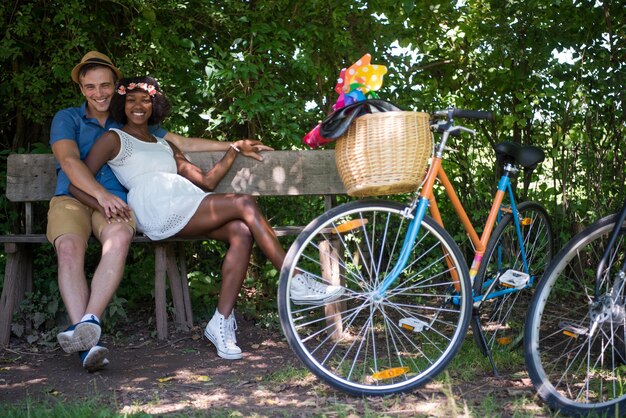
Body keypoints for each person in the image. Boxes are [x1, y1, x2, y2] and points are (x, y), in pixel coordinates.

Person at [70, 75, 345, 361]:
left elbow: (206, 181)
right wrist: (103, 204)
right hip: (154, 205)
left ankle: (221, 323)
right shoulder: (114, 138)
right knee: (245, 202)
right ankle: (294, 279)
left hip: (185, 199)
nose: (138, 106)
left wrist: (234, 149)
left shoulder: (165, 145)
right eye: (131, 100)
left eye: (145, 100)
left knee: (241, 230)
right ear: (121, 104)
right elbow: (78, 183)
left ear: (154, 105)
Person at [48, 51, 269, 372]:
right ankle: (89, 344)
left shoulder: (127, 119)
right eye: (91, 87)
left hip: (118, 203)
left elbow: (183, 143)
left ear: (116, 86)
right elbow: (69, 163)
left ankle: (89, 323)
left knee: (119, 239)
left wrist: (233, 144)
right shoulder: (67, 118)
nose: (99, 93)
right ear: (82, 89)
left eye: (105, 85)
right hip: (72, 198)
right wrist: (100, 194)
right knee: (69, 247)